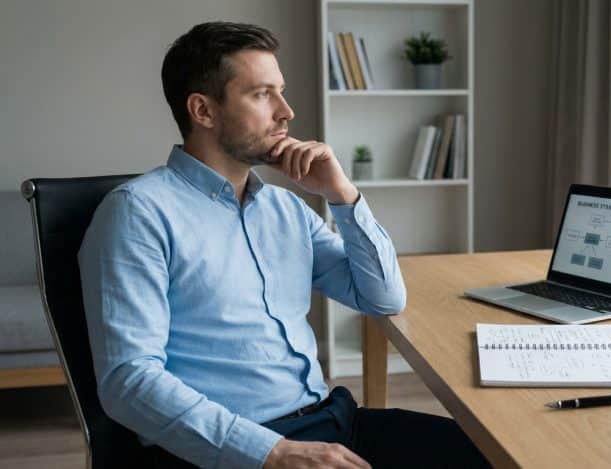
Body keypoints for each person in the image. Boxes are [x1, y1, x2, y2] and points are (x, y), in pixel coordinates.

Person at [78, 21, 489, 469]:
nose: (286, 111)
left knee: (498, 453)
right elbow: (129, 382)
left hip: (331, 422)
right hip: (237, 449)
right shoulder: (137, 213)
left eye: (281, 91)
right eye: (261, 94)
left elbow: (382, 298)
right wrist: (271, 453)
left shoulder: (286, 209)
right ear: (203, 110)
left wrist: (342, 196)